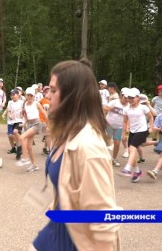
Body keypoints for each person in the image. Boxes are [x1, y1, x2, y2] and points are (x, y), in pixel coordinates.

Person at [32, 59, 120, 251]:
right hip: (57, 227)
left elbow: (103, 219)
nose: (48, 96)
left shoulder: (89, 147)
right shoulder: (66, 133)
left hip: (76, 241)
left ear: (71, 96)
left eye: (53, 91)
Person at [120, 88, 155, 183]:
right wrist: (123, 133)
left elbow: (151, 117)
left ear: (138, 98)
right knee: (132, 151)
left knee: (132, 149)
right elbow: (125, 121)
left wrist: (151, 127)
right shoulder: (126, 109)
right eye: (129, 98)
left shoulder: (143, 108)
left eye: (132, 98)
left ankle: (127, 168)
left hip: (143, 130)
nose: (130, 99)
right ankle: (137, 172)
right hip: (133, 131)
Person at [16, 87, 47, 172]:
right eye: (28, 95)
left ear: (33, 96)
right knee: (29, 147)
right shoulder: (25, 105)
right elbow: (27, 117)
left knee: (22, 137)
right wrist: (24, 123)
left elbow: (44, 113)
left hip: (37, 124)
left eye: (31, 96)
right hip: (29, 125)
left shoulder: (36, 104)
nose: (29, 97)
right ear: (26, 95)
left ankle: (25, 158)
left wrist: (49, 124)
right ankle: (34, 165)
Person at [104, 88, 130, 167]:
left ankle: (114, 159)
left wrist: (127, 128)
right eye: (125, 97)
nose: (127, 99)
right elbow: (104, 108)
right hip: (108, 124)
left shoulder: (129, 106)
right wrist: (110, 109)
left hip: (119, 126)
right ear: (121, 96)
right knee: (106, 142)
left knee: (117, 143)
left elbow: (129, 118)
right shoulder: (114, 102)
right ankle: (103, 158)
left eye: (128, 98)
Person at [2, 89, 23, 160]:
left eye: (14, 94)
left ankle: (19, 147)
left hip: (20, 121)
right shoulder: (10, 102)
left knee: (15, 132)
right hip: (13, 121)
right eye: (11, 95)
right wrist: (8, 114)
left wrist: (23, 114)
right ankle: (18, 148)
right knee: (13, 135)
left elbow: (24, 110)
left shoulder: (21, 102)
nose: (12, 96)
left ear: (18, 95)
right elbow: (9, 110)